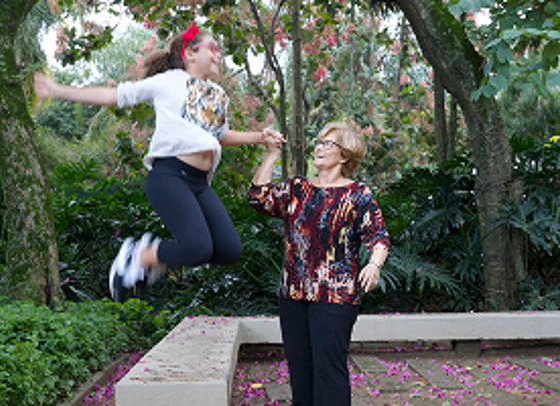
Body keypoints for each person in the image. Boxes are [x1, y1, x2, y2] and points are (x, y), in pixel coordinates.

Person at [34, 22, 284, 301]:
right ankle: (138, 256)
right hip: (170, 176)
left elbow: (220, 135)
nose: (218, 54)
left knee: (228, 250)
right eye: (212, 48)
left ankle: (153, 258)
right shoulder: (168, 81)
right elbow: (114, 95)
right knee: (197, 249)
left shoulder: (218, 94)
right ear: (190, 53)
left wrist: (260, 137)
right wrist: (58, 90)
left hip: (200, 184)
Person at [248, 122, 390, 406]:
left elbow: (378, 236)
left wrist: (374, 265)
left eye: (328, 143)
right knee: (300, 371)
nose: (319, 148)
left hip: (336, 295)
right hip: (293, 294)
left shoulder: (358, 194)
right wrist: (272, 154)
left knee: (328, 370)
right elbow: (258, 198)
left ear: (345, 155)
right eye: (319, 142)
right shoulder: (297, 189)